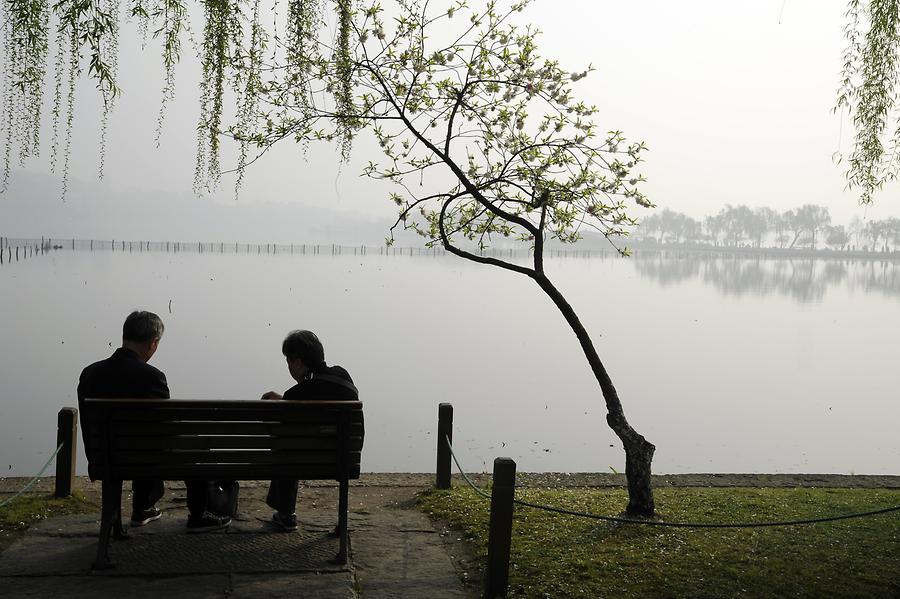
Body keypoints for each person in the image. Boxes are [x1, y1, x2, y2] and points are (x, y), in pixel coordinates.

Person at [77, 310, 232, 533]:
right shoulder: (152, 376)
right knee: (190, 444)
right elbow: (164, 430)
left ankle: (143, 508)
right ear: (152, 343)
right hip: (144, 456)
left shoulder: (90, 373)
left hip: (103, 458)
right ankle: (199, 514)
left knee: (142, 440)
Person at [261, 330, 358, 532]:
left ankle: (285, 513)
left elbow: (281, 419)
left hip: (304, 460)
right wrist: (284, 399)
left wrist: (281, 400)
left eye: (289, 362)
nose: (288, 367)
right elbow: (317, 393)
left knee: (286, 440)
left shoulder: (299, 392)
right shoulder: (342, 375)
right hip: (344, 458)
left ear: (298, 363)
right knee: (297, 438)